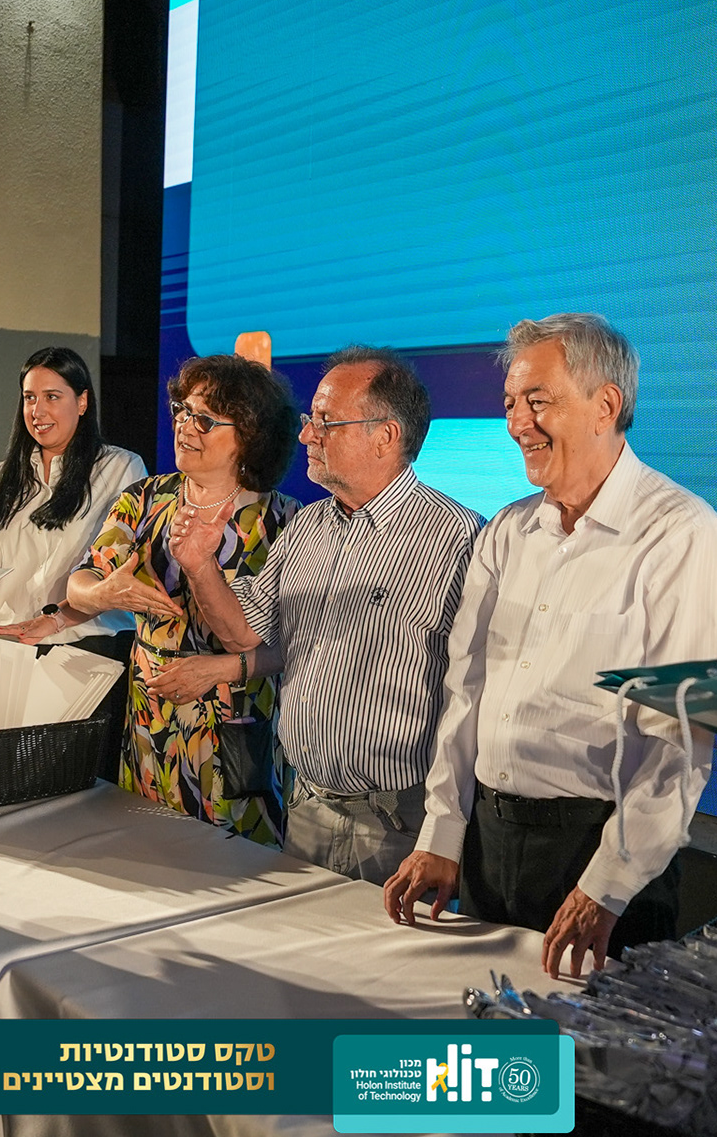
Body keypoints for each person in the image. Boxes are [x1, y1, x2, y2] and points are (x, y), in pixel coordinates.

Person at [383, 314, 717, 979]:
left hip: (598, 854)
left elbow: (677, 738)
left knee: (580, 1045)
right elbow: (466, 691)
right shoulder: (507, 531)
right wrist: (443, 833)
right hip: (488, 843)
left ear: (605, 405)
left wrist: (608, 885)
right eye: (510, 403)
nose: (518, 422)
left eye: (537, 401)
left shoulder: (680, 533)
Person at [164, 346, 481, 881]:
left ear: (386, 436)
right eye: (309, 419)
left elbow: (474, 696)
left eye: (326, 422)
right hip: (306, 806)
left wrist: (443, 833)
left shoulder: (458, 538)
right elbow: (244, 635)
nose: (307, 435)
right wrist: (199, 565)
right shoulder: (306, 528)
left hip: (399, 823)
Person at [67, 355, 299, 843]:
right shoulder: (145, 499)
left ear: (250, 435)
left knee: (237, 862)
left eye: (206, 420)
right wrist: (105, 591)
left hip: (235, 724)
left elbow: (295, 647)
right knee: (147, 849)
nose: (185, 426)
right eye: (182, 411)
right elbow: (79, 586)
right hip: (150, 718)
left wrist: (219, 668)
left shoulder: (283, 521)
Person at [0, 347, 147, 645]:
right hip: (13, 648)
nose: (37, 411)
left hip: (91, 648)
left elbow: (116, 568)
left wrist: (56, 619)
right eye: (29, 398)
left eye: (52, 397)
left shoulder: (121, 468)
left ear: (82, 402)